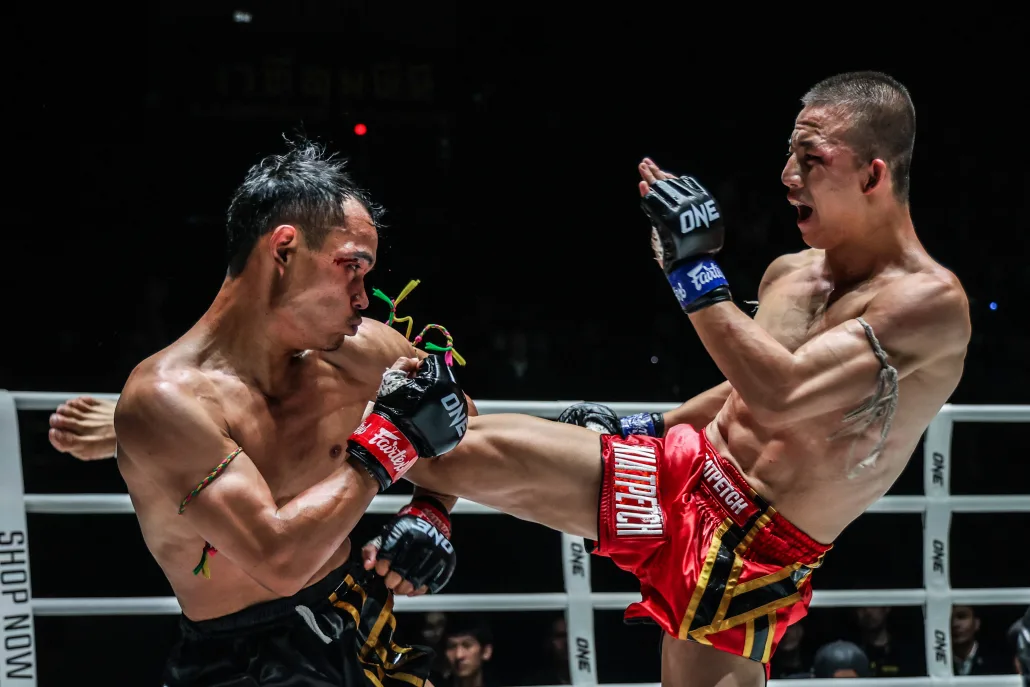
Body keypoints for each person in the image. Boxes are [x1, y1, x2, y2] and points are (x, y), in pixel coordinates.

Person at [391, 71, 971, 687]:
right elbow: (746, 386)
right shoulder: (789, 274)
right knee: (444, 444)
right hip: (686, 466)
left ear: (873, 176)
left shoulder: (928, 304)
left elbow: (785, 393)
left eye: (810, 158)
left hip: (756, 549)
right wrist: (650, 424)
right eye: (789, 155)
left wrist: (691, 270)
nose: (787, 177)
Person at [112, 138, 475, 687]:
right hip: (241, 662)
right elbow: (279, 561)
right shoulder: (166, 399)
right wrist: (388, 444)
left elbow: (452, 409)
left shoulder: (352, 351)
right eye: (351, 267)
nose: (362, 296)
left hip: (356, 613)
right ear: (283, 250)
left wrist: (432, 510)